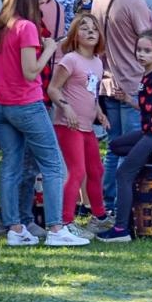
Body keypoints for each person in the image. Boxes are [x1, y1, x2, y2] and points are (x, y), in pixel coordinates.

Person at [0, 0, 85, 248]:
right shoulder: (26, 27)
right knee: (54, 165)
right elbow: (31, 71)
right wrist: (50, 48)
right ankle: (56, 228)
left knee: (10, 167)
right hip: (27, 104)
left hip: (1, 104)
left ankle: (15, 228)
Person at [100, 30, 152, 242]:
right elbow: (148, 106)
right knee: (116, 146)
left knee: (123, 174)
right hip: (148, 132)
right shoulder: (146, 76)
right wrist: (128, 99)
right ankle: (151, 155)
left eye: (147, 51)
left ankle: (121, 229)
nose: (141, 54)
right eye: (139, 50)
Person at [91, 0, 152, 211]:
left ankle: (107, 202)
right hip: (133, 83)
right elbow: (150, 42)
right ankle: (122, 205)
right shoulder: (133, 1)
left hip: (108, 82)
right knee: (130, 148)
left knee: (114, 146)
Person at [48, 12, 113, 237]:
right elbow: (53, 89)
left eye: (94, 29)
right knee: (77, 171)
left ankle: (99, 217)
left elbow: (90, 93)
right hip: (68, 125)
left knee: (96, 170)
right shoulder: (70, 60)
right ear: (75, 35)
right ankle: (65, 222)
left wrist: (100, 113)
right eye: (84, 28)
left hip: (87, 127)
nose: (90, 32)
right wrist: (66, 108)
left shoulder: (96, 62)